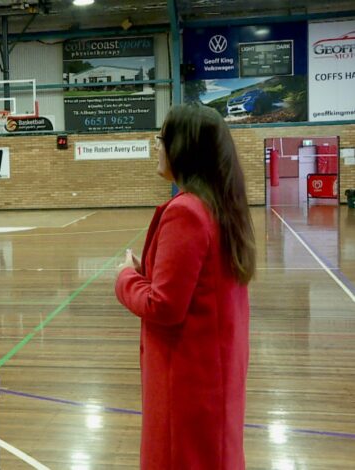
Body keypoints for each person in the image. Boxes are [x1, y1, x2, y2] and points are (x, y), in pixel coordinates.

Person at [114, 103, 256, 469]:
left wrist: (126, 276)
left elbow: (164, 305)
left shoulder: (187, 211)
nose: (157, 146)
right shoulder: (222, 206)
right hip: (214, 376)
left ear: (182, 147)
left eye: (161, 138)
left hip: (187, 381)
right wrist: (150, 271)